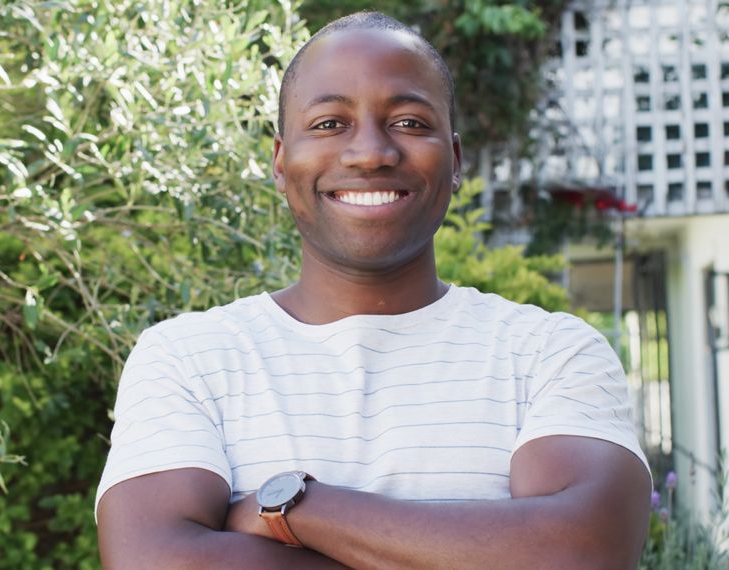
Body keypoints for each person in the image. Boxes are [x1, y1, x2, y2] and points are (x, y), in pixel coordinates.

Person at [95, 11, 651, 569]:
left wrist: (293, 508)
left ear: (455, 160)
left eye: (408, 122)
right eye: (329, 123)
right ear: (281, 162)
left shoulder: (551, 353)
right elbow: (153, 561)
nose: (370, 153)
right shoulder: (188, 359)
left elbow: (584, 554)